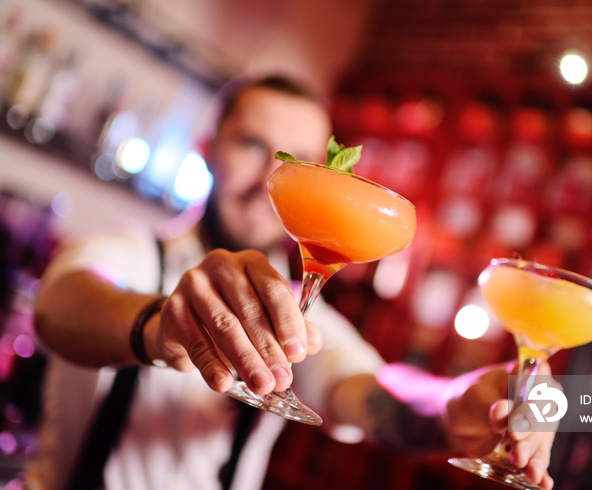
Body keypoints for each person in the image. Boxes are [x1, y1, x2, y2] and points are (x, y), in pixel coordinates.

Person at [26, 75, 555, 490]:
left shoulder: (306, 311)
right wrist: (162, 322)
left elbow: (371, 391)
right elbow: (60, 305)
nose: (267, 179)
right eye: (252, 145)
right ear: (208, 147)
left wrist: (458, 402)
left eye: (300, 160)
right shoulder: (128, 251)